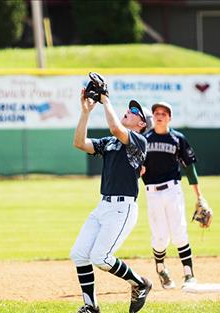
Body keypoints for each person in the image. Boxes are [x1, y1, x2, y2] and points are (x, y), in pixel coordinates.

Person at [70, 87, 154, 313]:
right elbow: (79, 143)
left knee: (100, 257)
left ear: (142, 124)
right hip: (103, 206)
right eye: (130, 108)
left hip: (123, 208)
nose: (129, 110)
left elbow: (116, 128)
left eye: (135, 111)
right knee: (79, 254)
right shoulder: (110, 142)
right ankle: (91, 306)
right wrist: (85, 112)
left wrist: (106, 100)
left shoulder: (139, 142)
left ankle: (140, 283)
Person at [141, 101, 203, 290]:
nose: (160, 116)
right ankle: (161, 269)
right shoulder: (144, 140)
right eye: (157, 113)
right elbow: (135, 166)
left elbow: (190, 168)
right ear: (153, 116)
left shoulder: (178, 139)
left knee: (179, 232)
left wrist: (200, 197)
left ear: (170, 117)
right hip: (152, 192)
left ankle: (188, 274)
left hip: (173, 190)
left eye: (164, 113)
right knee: (160, 238)